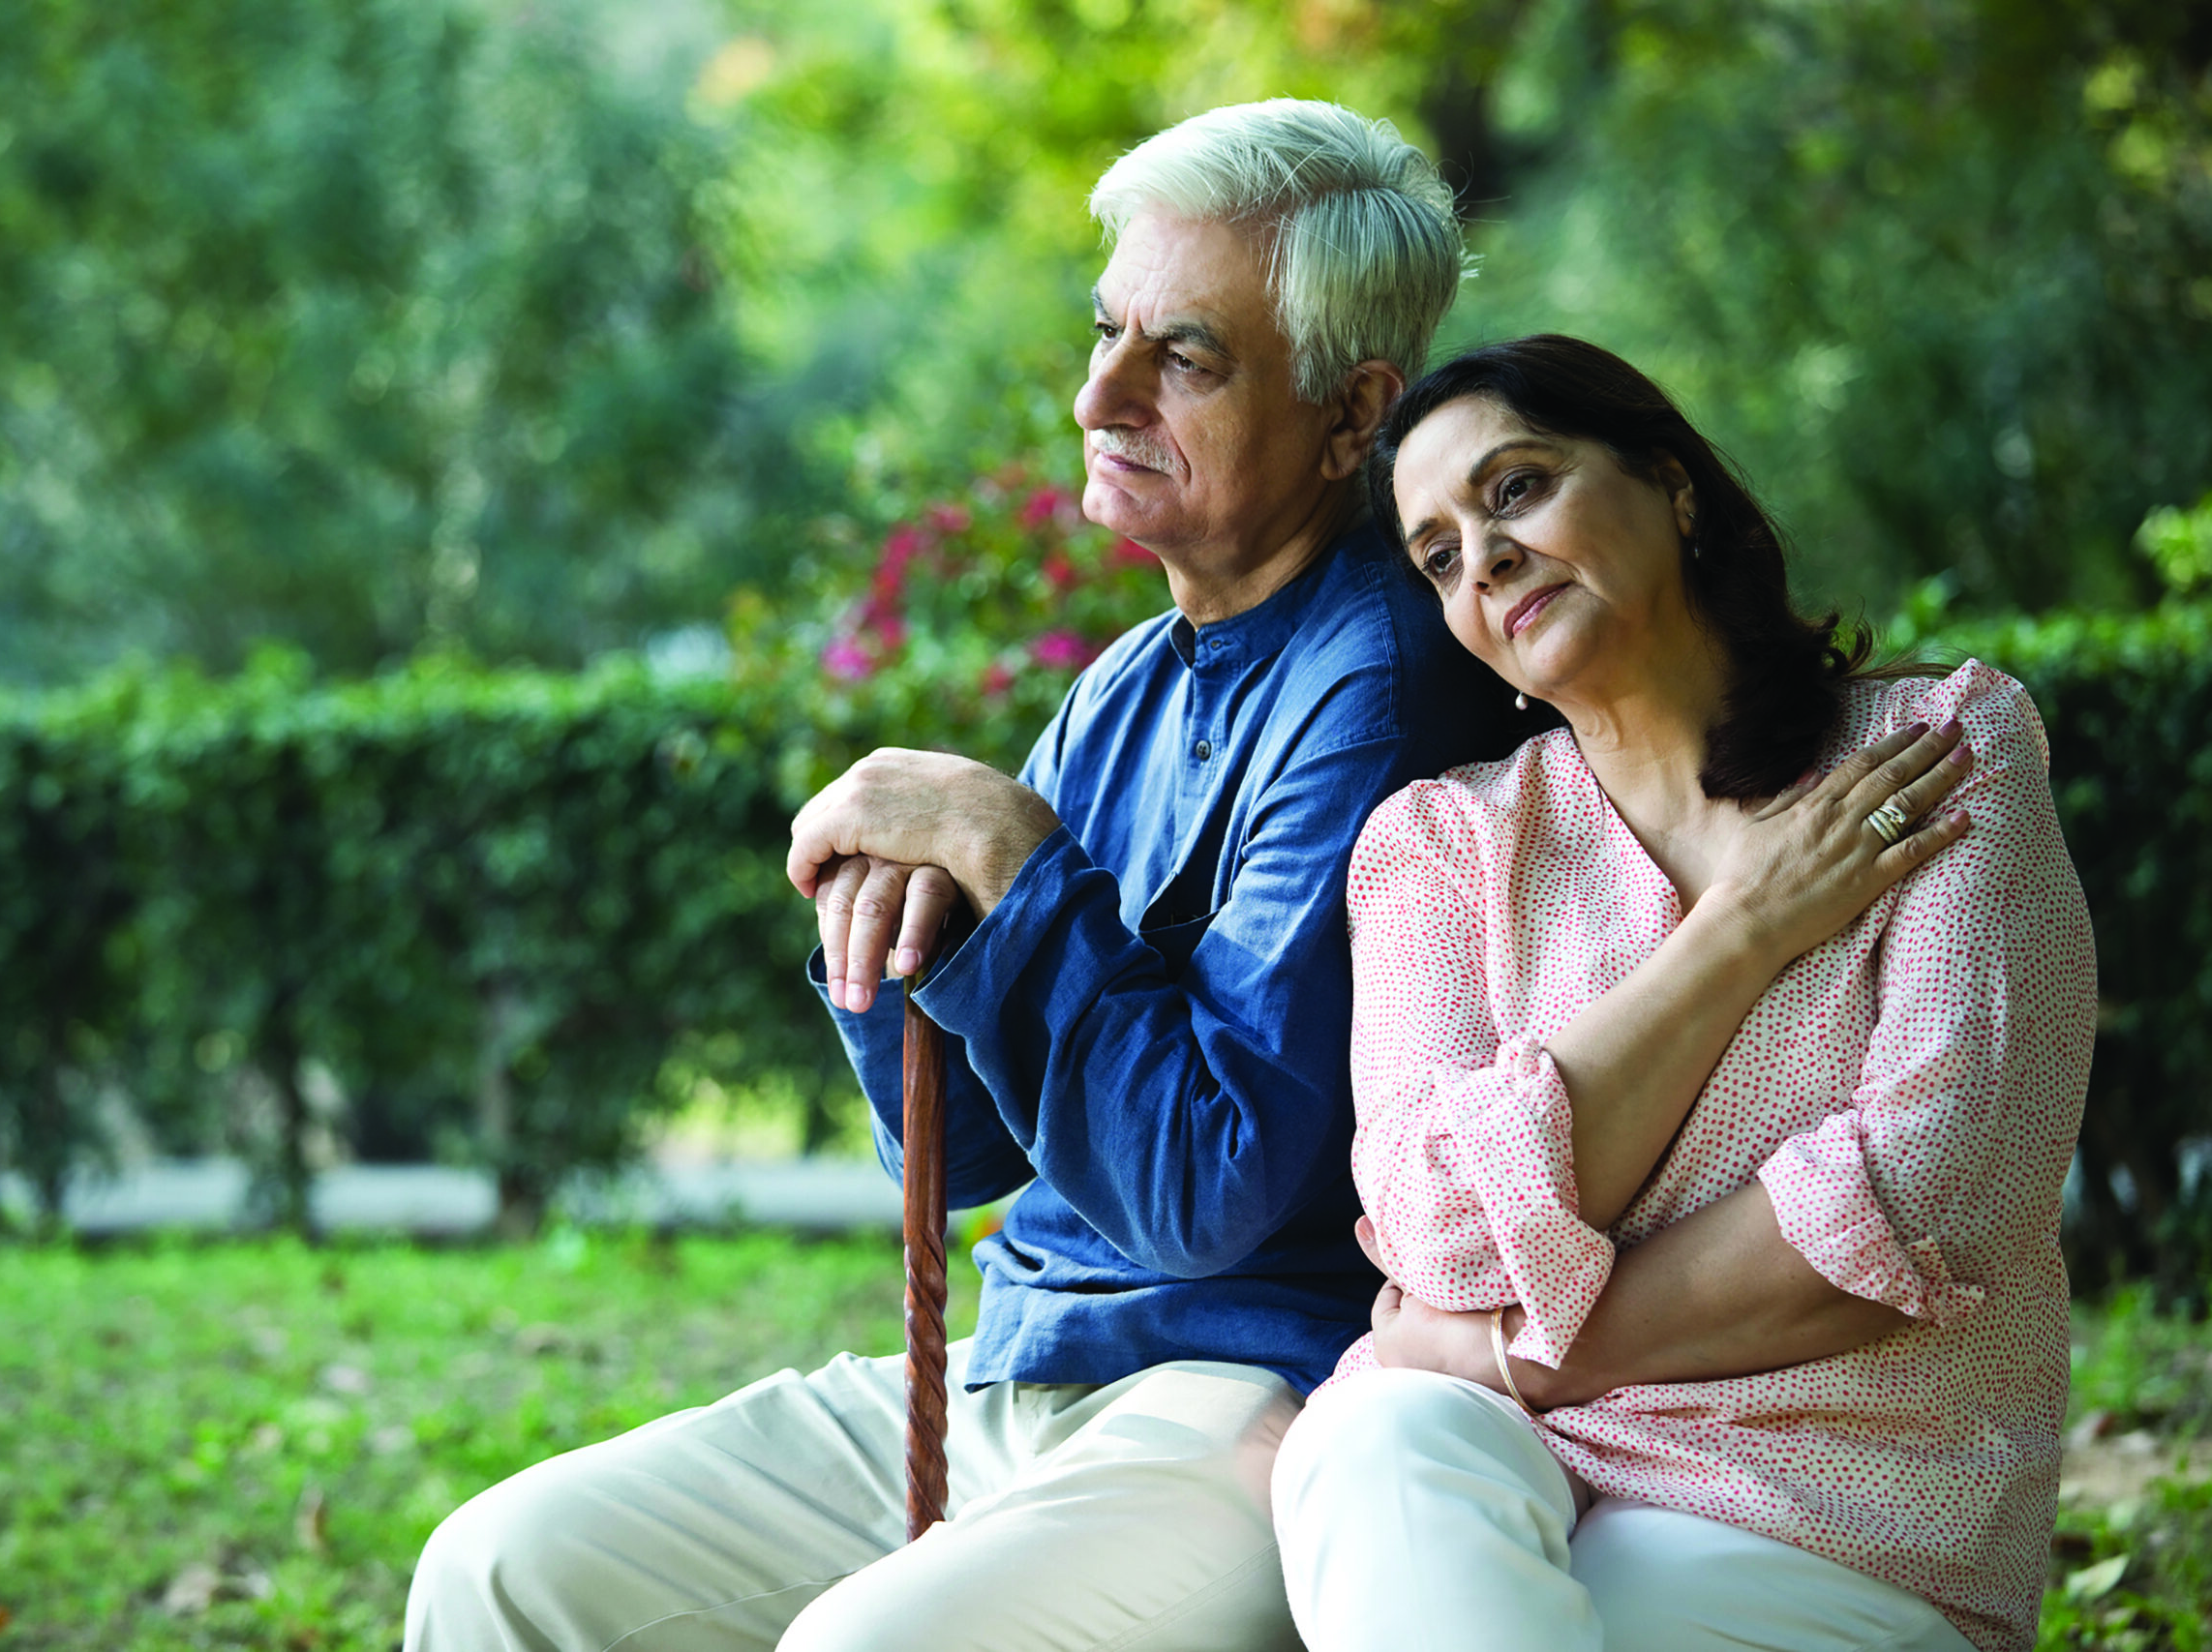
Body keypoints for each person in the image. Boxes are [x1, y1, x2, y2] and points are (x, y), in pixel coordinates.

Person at [405, 100, 1529, 1651]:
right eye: (1105, 331)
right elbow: (970, 1148)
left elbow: (1211, 1187)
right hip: (1021, 1367)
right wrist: (894, 936)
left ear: (1352, 417)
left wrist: (1010, 851)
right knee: (501, 1565)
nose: (1098, 391)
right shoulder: (1134, 679)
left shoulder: (1386, 688)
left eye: (1183, 356)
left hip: (1248, 1398)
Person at [1269, 335, 2095, 1652]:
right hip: (1496, 1466)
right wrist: (1746, 928)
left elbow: (1929, 1192)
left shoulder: (1936, 755)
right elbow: (1438, 1235)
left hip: (1826, 1513)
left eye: (1514, 489)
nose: (1479, 557)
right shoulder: (1439, 845)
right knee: (1376, 1437)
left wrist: (1516, 1350)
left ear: (1674, 485)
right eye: (1436, 554)